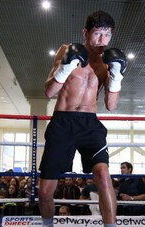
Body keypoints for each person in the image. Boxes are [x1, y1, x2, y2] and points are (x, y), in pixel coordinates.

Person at [38, 10, 127, 227]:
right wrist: (66, 67)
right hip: (62, 122)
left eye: (107, 36)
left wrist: (116, 77)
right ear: (85, 32)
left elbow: (111, 105)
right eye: (97, 34)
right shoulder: (66, 50)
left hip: (90, 124)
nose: (102, 41)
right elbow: (49, 92)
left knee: (104, 175)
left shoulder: (108, 62)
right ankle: (47, 225)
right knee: (45, 191)